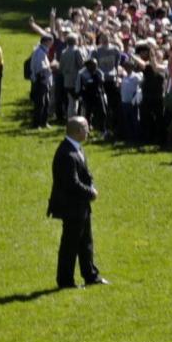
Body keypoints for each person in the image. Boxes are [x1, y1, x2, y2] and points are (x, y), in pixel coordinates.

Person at [48, 116, 104, 288]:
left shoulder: (77, 148)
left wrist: (91, 184)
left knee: (86, 242)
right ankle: (65, 281)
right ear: (78, 131)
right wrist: (90, 192)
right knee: (70, 245)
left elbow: (85, 173)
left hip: (81, 206)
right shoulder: (66, 153)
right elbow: (72, 183)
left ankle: (91, 276)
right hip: (71, 206)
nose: (89, 131)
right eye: (86, 128)